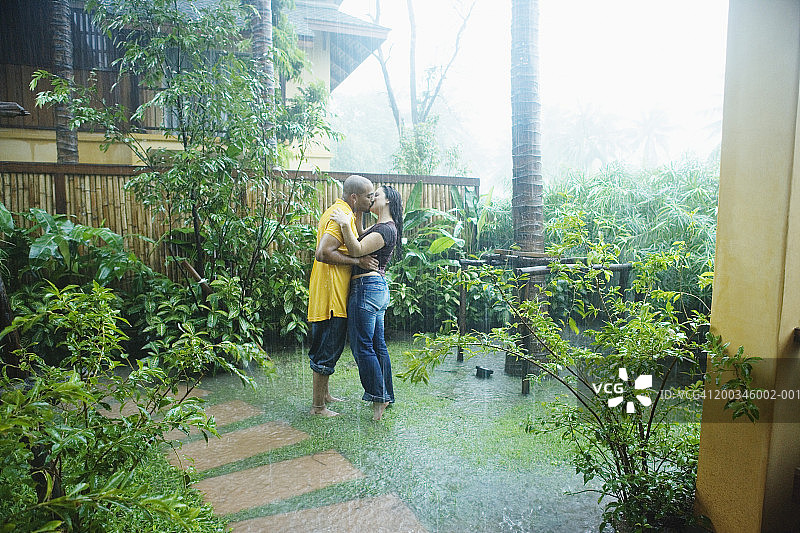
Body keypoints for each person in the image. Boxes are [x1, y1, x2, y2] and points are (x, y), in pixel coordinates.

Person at [330, 185, 403, 421]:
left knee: (363, 346)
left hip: (366, 289)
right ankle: (386, 395)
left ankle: (378, 396)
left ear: (388, 201)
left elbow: (357, 247)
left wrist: (343, 223)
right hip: (376, 290)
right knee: (377, 345)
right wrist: (357, 210)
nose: (372, 198)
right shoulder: (383, 227)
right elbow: (361, 232)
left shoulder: (384, 230)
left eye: (376, 195)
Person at [308, 175, 378, 417]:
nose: (373, 199)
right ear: (354, 197)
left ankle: (325, 395)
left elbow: (357, 235)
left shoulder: (342, 212)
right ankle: (318, 407)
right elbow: (323, 253)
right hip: (331, 295)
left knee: (331, 345)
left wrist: (360, 216)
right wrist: (358, 260)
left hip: (328, 292)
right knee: (327, 348)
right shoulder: (342, 216)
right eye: (369, 195)